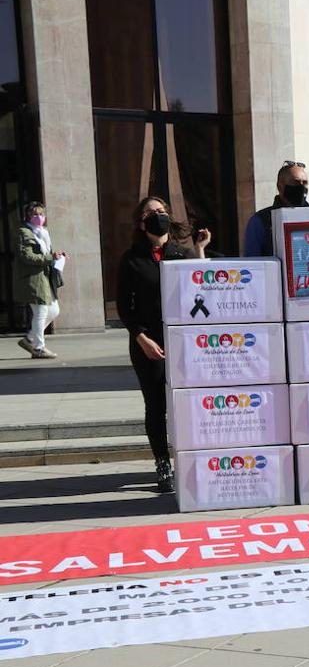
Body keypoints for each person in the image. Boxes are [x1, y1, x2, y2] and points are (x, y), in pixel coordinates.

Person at [116, 196, 211, 494]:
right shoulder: (132, 259)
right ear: (141, 221)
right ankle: (162, 463)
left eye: (161, 212)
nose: (156, 216)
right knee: (155, 406)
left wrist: (200, 251)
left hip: (184, 342)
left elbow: (201, 290)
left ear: (169, 216)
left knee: (187, 404)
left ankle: (194, 461)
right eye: (149, 213)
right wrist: (140, 336)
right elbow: (123, 306)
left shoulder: (182, 255)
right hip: (148, 343)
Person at [15, 201, 64, 360]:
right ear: (28, 216)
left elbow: (46, 254)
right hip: (33, 278)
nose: (39, 217)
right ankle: (39, 348)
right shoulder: (24, 232)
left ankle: (29, 339)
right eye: (35, 214)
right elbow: (26, 256)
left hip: (45, 277)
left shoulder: (43, 232)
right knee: (41, 312)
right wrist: (50, 258)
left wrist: (57, 256)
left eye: (41, 214)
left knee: (54, 310)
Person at [243, 161, 309, 257]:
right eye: (296, 182)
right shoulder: (260, 221)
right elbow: (253, 263)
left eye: (305, 183)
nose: (302, 187)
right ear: (280, 186)